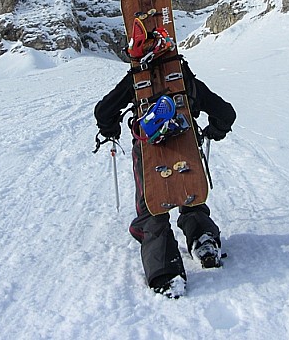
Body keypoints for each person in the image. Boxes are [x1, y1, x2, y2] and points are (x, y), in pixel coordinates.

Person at [94, 58, 236, 298]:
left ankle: (165, 270)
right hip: (186, 145)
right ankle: (203, 237)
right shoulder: (185, 81)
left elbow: (104, 111)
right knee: (190, 194)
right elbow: (225, 113)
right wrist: (214, 131)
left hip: (148, 151)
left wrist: (110, 129)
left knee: (151, 205)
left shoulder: (136, 81)